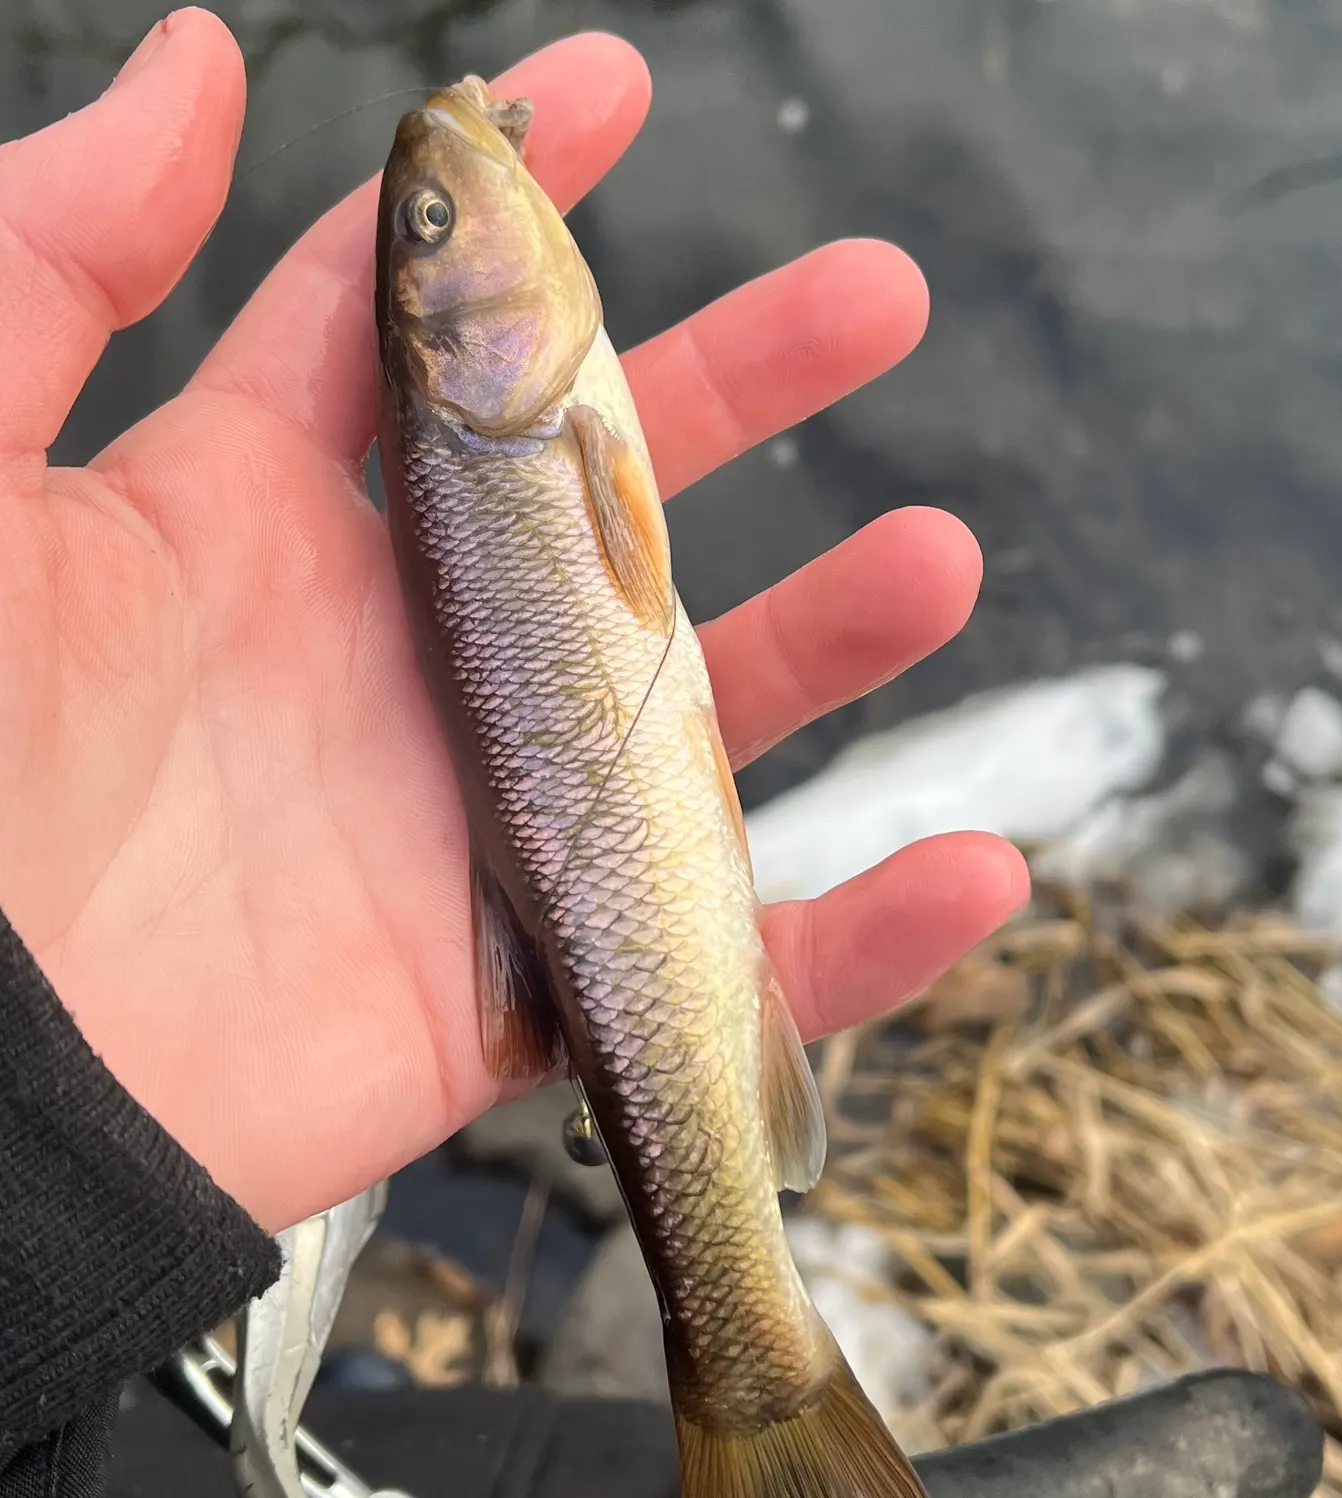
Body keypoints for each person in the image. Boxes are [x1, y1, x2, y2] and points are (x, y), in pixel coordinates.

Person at [0, 10, 1028, 1496]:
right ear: (443, 336)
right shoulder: (534, 429)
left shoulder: (519, 417)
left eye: (427, 220)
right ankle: (748, 1361)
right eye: (438, 222)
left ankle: (702, 1362)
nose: (455, 192)